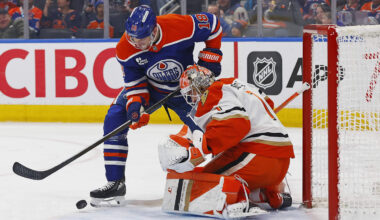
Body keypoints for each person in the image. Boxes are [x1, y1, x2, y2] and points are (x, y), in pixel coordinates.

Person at [89, 5, 223, 207]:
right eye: (132, 37)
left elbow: (213, 25)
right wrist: (136, 107)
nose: (136, 42)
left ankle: (235, 174)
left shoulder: (179, 25)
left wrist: (209, 58)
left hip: (186, 88)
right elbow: (135, 82)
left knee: (213, 131)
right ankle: (115, 183)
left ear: (154, 30)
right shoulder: (125, 48)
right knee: (115, 116)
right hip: (152, 89)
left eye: (141, 37)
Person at [157, 64, 294, 218]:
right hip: (280, 162)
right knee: (219, 165)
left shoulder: (213, 92)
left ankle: (238, 201)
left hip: (258, 158)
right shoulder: (236, 84)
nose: (192, 98)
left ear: (199, 87)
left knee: (202, 182)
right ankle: (269, 194)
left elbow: (236, 124)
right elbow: (268, 103)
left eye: (191, 93)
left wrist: (203, 147)